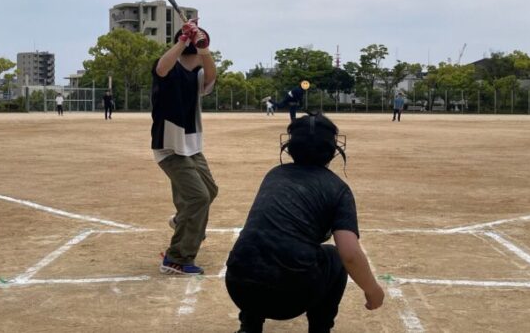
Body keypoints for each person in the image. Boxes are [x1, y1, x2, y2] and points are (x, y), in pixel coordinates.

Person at [225, 113, 384, 333]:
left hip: (238, 287)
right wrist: (372, 290)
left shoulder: (275, 175)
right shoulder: (337, 188)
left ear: (290, 148)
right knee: (335, 257)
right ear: (332, 150)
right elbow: (349, 253)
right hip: (293, 297)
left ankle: (249, 328)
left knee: (260, 243)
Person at [151, 19, 218, 276]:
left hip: (192, 146)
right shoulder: (170, 69)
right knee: (198, 198)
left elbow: (211, 76)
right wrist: (183, 41)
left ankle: (182, 221)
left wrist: (203, 48)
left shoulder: (197, 74)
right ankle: (176, 258)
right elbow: (161, 68)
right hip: (170, 146)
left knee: (209, 191)